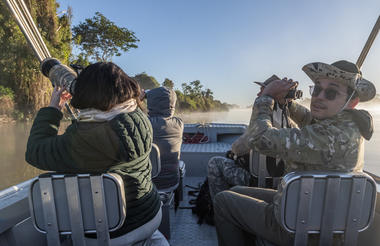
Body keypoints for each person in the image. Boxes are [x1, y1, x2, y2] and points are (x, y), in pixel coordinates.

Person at [213, 60, 376, 246]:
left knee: (223, 201)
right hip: (311, 212)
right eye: (316, 89)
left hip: (299, 229)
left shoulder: (330, 137)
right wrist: (287, 104)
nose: (319, 97)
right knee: (235, 191)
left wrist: (265, 98)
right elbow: (309, 119)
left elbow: (258, 139)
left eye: (331, 92)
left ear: (352, 102)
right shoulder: (346, 125)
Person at [25, 62, 162, 243]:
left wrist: (53, 109)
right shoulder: (140, 118)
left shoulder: (86, 139)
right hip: (150, 215)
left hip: (114, 232)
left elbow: (35, 151)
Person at [207, 75, 293, 200]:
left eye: (263, 90)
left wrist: (234, 151)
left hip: (253, 181)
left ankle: (218, 205)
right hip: (282, 183)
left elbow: (237, 149)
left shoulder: (260, 125)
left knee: (214, 163)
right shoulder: (290, 124)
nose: (259, 94)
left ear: (272, 92)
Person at [146, 86, 184, 190]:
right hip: (172, 182)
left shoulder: (144, 124)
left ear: (151, 104)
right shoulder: (179, 123)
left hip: (149, 184)